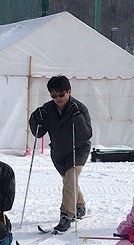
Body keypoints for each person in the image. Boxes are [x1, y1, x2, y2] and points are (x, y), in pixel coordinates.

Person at [27, 75, 93, 234]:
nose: (58, 98)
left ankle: (66, 215)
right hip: (59, 152)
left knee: (70, 179)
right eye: (54, 95)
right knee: (70, 182)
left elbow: (86, 134)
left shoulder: (79, 108)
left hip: (78, 150)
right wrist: (35, 119)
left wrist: (77, 118)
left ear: (69, 91)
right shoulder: (48, 109)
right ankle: (80, 206)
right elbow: (39, 133)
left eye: (61, 94)